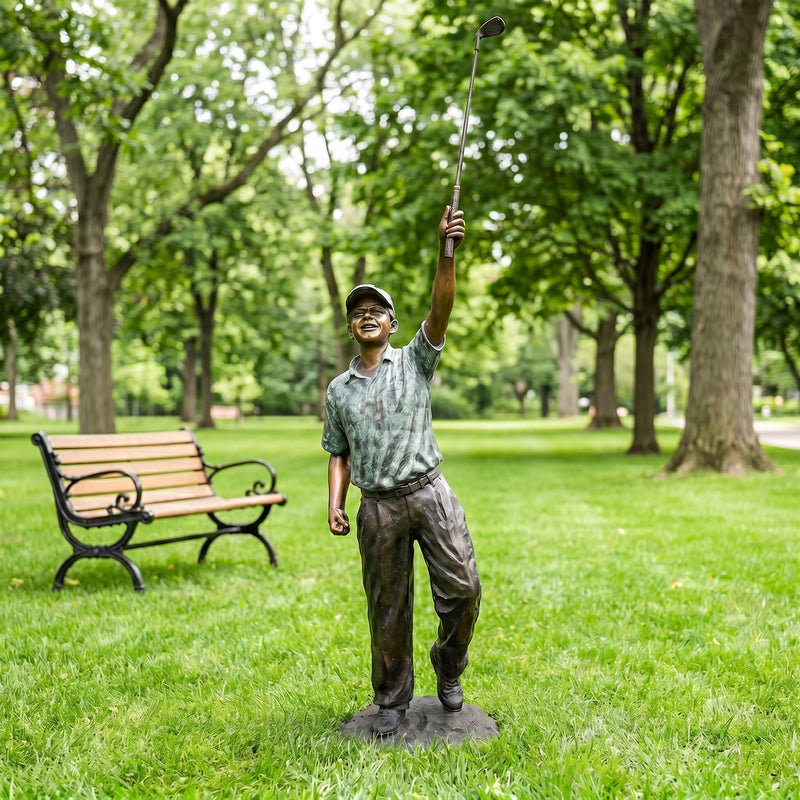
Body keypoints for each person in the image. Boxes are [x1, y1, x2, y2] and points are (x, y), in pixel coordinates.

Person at [322, 206, 481, 737]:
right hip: (379, 508)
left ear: (392, 324)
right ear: (351, 327)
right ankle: (391, 698)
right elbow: (338, 451)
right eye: (358, 311)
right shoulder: (339, 390)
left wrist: (446, 251)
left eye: (377, 310)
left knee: (463, 589)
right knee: (387, 608)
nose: (367, 315)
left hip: (430, 494)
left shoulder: (415, 361)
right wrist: (335, 503)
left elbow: (442, 306)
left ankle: (449, 664)